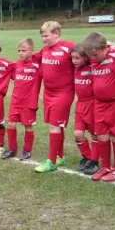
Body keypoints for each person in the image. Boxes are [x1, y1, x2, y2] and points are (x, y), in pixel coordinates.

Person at [83, 32, 115, 182]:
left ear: (104, 48)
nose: (92, 59)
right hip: (100, 103)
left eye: (95, 55)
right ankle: (105, 167)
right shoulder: (92, 57)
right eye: (90, 55)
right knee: (101, 135)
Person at [33, 21, 75, 173]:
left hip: (63, 93)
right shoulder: (45, 50)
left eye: (46, 35)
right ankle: (60, 157)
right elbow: (32, 58)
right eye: (42, 36)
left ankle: (51, 161)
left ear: (56, 33)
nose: (43, 39)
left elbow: (87, 53)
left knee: (54, 126)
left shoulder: (69, 47)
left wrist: (110, 45)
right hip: (48, 93)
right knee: (57, 125)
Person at [1, 38, 41, 160]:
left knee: (28, 126)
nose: (21, 53)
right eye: (19, 50)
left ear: (31, 51)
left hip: (28, 103)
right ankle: (12, 149)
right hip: (15, 101)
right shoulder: (16, 65)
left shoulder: (38, 66)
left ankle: (27, 150)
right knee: (11, 125)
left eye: (23, 50)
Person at [70, 44, 99, 174]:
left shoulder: (92, 67)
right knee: (78, 134)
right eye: (73, 58)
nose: (74, 61)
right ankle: (88, 156)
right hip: (80, 104)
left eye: (77, 58)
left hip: (92, 104)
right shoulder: (74, 68)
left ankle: (94, 160)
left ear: (86, 57)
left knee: (95, 134)